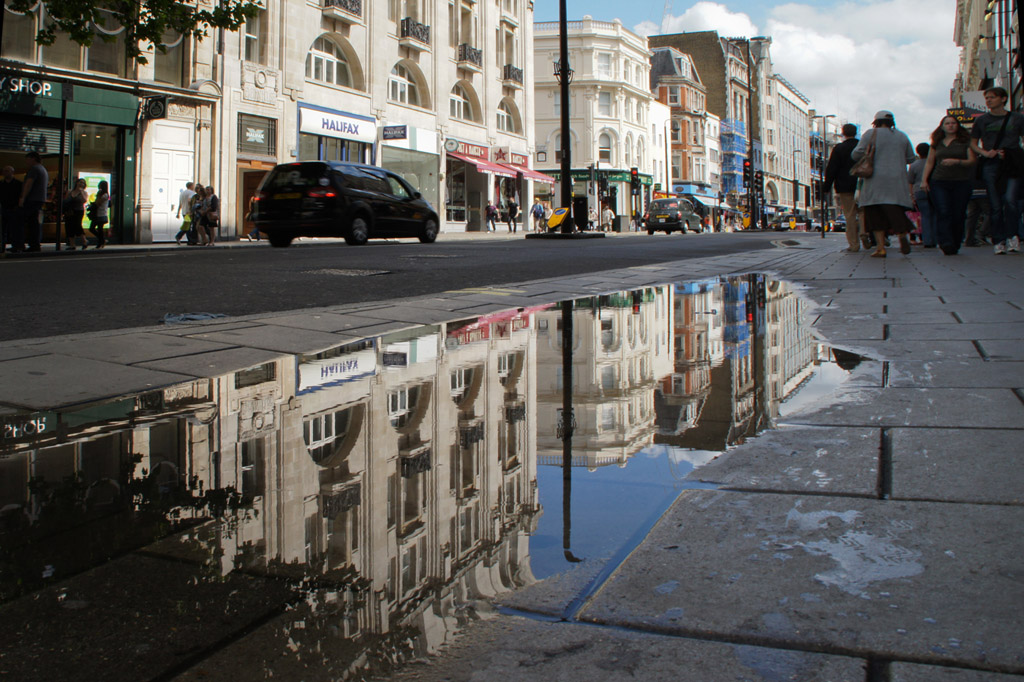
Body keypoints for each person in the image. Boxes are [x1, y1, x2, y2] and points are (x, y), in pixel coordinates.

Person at [851, 110, 916, 258]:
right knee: (895, 208)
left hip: (875, 178)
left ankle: (880, 248)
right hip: (897, 179)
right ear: (892, 122)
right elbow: (911, 158)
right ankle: (901, 233)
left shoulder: (870, 134)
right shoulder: (902, 136)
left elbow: (855, 154)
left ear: (876, 121)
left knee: (875, 212)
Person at [969, 86, 1024, 255]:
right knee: (995, 205)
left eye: (992, 97)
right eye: (987, 98)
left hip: (1012, 163)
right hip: (991, 163)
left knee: (1011, 200)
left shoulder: (1017, 119)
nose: (988, 100)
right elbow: (973, 143)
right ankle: (999, 240)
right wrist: (985, 153)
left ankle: (1012, 236)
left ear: (1003, 99)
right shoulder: (982, 120)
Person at [920, 115, 977, 255]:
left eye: (953, 123)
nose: (950, 125)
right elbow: (930, 162)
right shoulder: (937, 143)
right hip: (939, 180)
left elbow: (972, 161)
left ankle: (956, 241)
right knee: (943, 211)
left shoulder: (965, 141)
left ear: (958, 125)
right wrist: (924, 180)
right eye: (947, 123)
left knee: (958, 213)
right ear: (942, 126)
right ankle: (945, 242)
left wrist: (957, 161)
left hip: (961, 181)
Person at [824, 123, 866, 251]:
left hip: (844, 186)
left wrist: (826, 186)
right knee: (863, 212)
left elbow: (832, 168)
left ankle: (854, 245)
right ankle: (864, 233)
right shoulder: (862, 147)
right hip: (862, 184)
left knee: (850, 215)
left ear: (843, 133)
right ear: (855, 133)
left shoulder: (839, 148)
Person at [18, 151, 48, 252]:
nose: (26, 162)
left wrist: (23, 197)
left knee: (29, 222)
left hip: (32, 199)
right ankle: (35, 243)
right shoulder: (42, 169)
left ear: (33, 158)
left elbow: (29, 183)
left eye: (27, 159)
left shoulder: (34, 169)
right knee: (35, 222)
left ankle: (30, 243)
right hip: (39, 199)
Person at [907, 143, 937, 248]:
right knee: (934, 214)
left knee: (924, 215)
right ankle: (934, 239)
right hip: (933, 190)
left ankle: (927, 240)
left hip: (918, 191)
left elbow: (910, 181)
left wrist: (912, 196)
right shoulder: (934, 163)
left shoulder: (914, 165)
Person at [0, 165, 22, 253]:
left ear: (12, 172)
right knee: (3, 229)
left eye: (7, 171)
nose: (5, 173)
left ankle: (16, 246)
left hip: (14, 208)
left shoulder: (18, 184)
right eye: (4, 171)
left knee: (14, 229)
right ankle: (2, 246)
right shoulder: (1, 184)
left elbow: (20, 195)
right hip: (4, 208)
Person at [63, 178, 89, 250]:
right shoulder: (70, 191)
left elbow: (84, 201)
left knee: (78, 225)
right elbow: (65, 201)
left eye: (83, 183)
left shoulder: (84, 192)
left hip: (79, 211)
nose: (81, 184)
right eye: (80, 182)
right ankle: (72, 244)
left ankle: (84, 241)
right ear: (77, 183)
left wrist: (81, 192)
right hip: (70, 211)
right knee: (69, 226)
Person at [88, 180, 110, 249]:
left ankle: (100, 243)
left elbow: (98, 203)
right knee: (92, 228)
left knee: (99, 229)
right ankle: (102, 240)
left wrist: (97, 198)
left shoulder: (105, 195)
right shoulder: (100, 193)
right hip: (97, 214)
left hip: (102, 214)